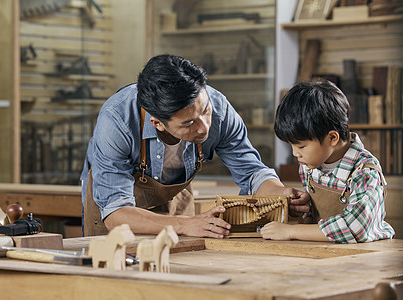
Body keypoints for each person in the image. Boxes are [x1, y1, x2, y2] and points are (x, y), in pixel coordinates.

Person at [81, 54, 310, 238]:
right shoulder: (117, 120)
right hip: (121, 210)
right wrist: (184, 224)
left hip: (175, 202)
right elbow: (115, 213)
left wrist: (280, 195)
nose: (203, 128)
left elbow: (252, 173)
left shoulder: (218, 107)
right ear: (158, 123)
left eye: (205, 111)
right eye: (189, 123)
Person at [261, 79, 395, 243]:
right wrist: (302, 209)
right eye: (292, 146)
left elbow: (356, 228)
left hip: (364, 256)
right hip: (325, 252)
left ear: (332, 138)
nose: (295, 154)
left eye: (301, 147)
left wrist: (292, 231)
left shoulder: (365, 173)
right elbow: (315, 216)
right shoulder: (309, 166)